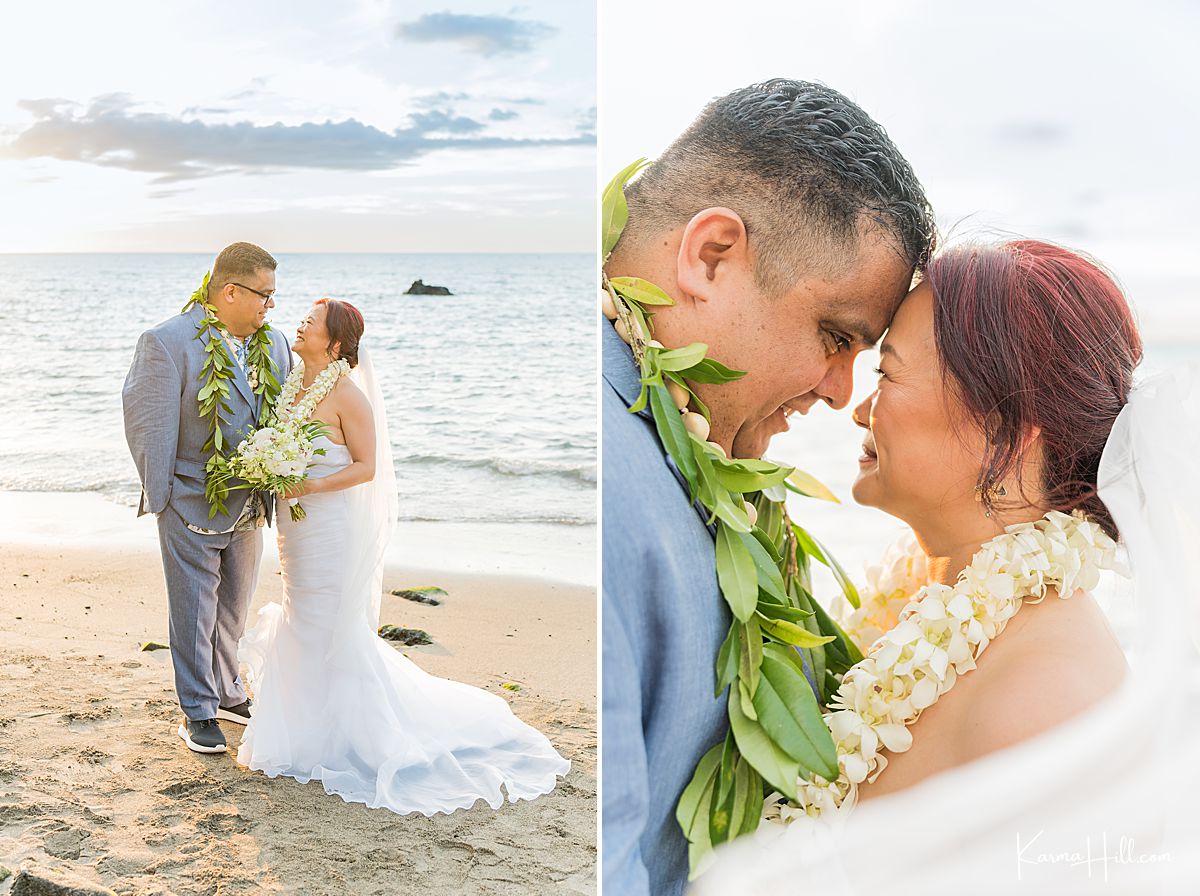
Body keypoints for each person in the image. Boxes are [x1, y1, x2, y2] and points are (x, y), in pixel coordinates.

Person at [694, 240, 1200, 894]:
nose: (857, 409)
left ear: (1007, 431)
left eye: (888, 375)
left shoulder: (1051, 699)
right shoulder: (921, 599)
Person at [601, 79, 936, 896]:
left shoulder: (679, 445)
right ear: (711, 255)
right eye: (834, 335)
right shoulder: (611, 485)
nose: (837, 389)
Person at [236, 298, 571, 815]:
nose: (300, 324)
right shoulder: (291, 385)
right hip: (295, 528)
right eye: (302, 318)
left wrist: (314, 483)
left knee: (329, 622)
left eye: (311, 321)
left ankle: (344, 736)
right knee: (302, 615)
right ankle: (303, 727)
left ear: (335, 343)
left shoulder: (349, 395)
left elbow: (367, 467)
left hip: (330, 526)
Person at [122, 242, 292, 754]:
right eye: (265, 295)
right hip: (189, 500)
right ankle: (197, 710)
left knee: (233, 607)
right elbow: (147, 422)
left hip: (248, 504)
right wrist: (164, 495)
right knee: (193, 609)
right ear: (231, 291)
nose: (271, 307)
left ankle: (227, 691)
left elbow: (281, 417)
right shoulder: (166, 341)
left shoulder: (277, 343)